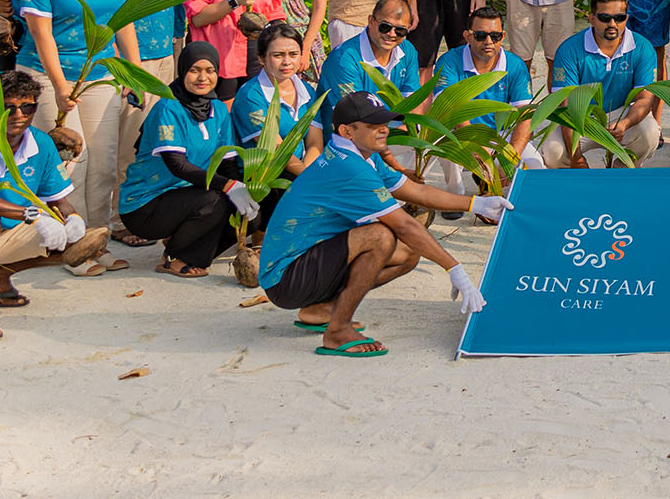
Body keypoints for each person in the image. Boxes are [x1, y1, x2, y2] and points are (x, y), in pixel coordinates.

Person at [258, 91, 504, 358]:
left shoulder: (362, 155)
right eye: (373, 126)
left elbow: (417, 192)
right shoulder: (350, 168)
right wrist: (455, 269)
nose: (384, 130)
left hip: (301, 263)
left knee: (407, 254)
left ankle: (321, 309)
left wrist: (475, 204)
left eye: (384, 123)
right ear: (346, 131)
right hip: (286, 278)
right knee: (380, 237)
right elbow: (405, 226)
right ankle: (337, 331)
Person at [14, 0, 141, 271]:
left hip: (100, 74)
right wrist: (57, 85)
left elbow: (124, 22)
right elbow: (41, 33)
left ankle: (95, 241)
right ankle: (71, 248)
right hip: (51, 72)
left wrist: (132, 74)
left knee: (103, 162)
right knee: (73, 163)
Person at [0, 69, 111, 339]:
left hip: (15, 231)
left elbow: (59, 200)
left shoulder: (41, 142)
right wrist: (31, 214)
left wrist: (73, 218)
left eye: (27, 107)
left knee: (86, 237)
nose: (19, 115)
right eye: (8, 107)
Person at [97, 0, 195, 239]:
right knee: (124, 138)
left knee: (151, 134)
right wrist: (125, 60)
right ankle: (119, 218)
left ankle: (144, 208)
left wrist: (178, 37)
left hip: (165, 45)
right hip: (125, 51)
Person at [116, 42, 250, 278]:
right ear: (182, 70)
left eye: (210, 71)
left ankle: (182, 241)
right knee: (216, 199)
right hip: (146, 204)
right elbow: (177, 165)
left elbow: (228, 162)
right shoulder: (168, 107)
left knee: (247, 207)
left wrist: (244, 191)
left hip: (185, 197)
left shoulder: (218, 109)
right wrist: (229, 186)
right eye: (194, 70)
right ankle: (175, 257)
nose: (203, 77)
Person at [230, 22, 320, 283]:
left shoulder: (307, 91)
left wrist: (311, 172)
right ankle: (262, 239)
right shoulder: (251, 95)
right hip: (262, 174)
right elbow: (276, 148)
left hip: (299, 168)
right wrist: (309, 179)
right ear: (261, 58)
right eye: (277, 55)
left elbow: (314, 141)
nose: (286, 62)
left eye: (293, 54)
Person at [548, 0, 663, 167]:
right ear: (592, 19)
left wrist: (625, 123)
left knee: (650, 134)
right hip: (581, 117)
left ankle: (620, 172)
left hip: (621, 113)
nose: (612, 23)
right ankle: (579, 179)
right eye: (604, 18)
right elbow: (567, 106)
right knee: (553, 152)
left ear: (626, 18)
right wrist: (576, 157)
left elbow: (645, 99)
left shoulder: (642, 48)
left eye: (619, 18)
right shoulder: (568, 49)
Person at [427, 4, 538, 172]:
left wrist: (511, 158)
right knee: (444, 145)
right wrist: (477, 145)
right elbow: (450, 109)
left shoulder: (515, 65)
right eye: (480, 36)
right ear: (467, 36)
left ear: (503, 36)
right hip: (461, 133)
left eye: (495, 36)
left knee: (537, 165)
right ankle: (455, 193)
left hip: (502, 135)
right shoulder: (449, 62)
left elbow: (525, 114)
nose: (488, 42)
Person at [316, 0, 422, 131]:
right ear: (371, 21)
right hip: (347, 137)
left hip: (388, 132)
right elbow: (354, 119)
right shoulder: (344, 59)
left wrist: (409, 132)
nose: (391, 34)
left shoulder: (408, 50)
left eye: (400, 30)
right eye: (385, 27)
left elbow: (412, 100)